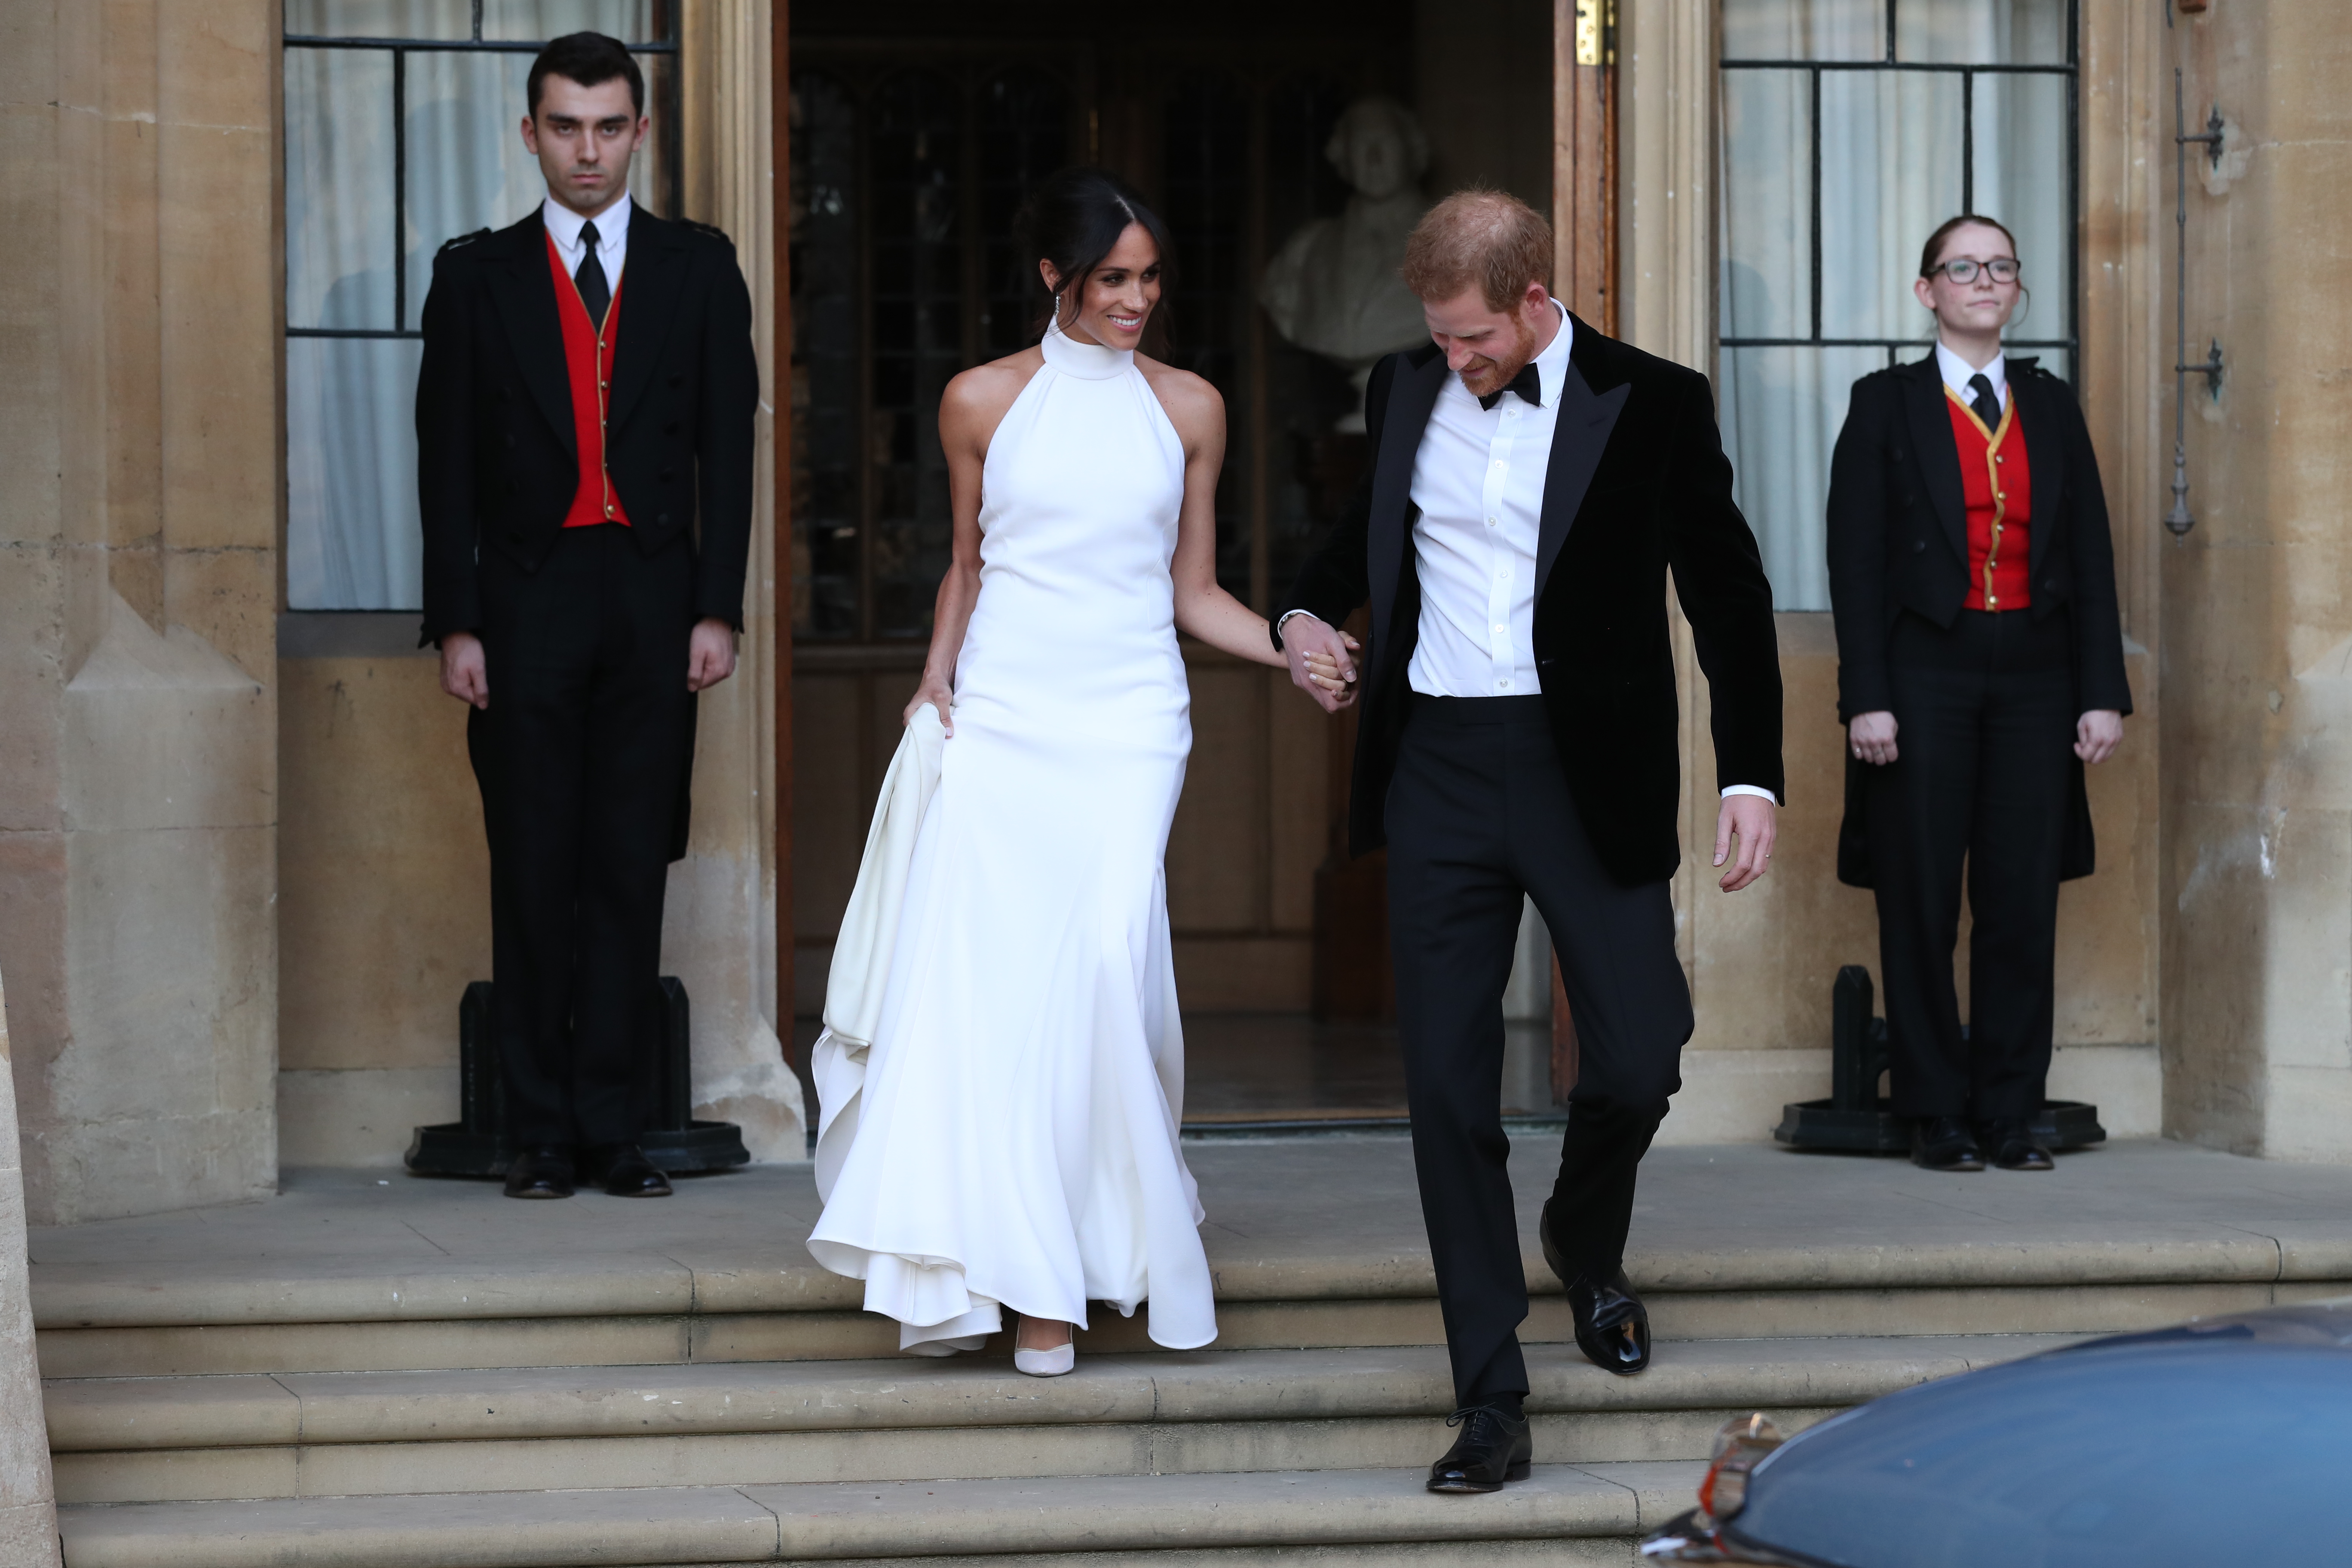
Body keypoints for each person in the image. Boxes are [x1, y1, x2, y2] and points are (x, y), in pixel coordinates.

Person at [1273, 190, 1784, 1493]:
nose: (1454, 364)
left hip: (1584, 774)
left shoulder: (1652, 403)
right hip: (1438, 767)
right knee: (1447, 1091)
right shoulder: (1402, 391)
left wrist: (1754, 777)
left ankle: (1583, 1235)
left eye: (1474, 341)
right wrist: (1298, 619)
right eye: (1439, 340)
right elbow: (1341, 551)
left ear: (1536, 300)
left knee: (1640, 1055)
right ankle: (1490, 1397)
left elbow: (1728, 596)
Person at [804, 168, 1314, 1377]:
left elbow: (1193, 592)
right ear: (1054, 278)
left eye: (1148, 278)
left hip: (1133, 722)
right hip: (1010, 714)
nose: (1137, 299)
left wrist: (1291, 643)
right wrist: (937, 679)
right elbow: (969, 564)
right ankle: (1029, 1282)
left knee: (1099, 974)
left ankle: (1086, 1264)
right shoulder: (980, 399)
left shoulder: (1190, 407)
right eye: (1112, 280)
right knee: (995, 995)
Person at [415, 33, 760, 1200]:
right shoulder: (475, 276)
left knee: (626, 860)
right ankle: (539, 1132)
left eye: (610, 127)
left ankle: (613, 1128)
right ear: (531, 136)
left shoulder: (699, 270)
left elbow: (732, 448)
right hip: (522, 599)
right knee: (530, 863)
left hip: (656, 599)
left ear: (641, 133)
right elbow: (445, 467)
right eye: (566, 127)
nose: (589, 150)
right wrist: (456, 622)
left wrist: (719, 607)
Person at [1826, 215, 2130, 1175]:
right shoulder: (1884, 404)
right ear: (1929, 293)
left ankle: (2008, 1109)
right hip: (1924, 676)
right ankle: (1935, 1111)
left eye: (2000, 266)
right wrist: (1865, 696)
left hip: (2038, 678)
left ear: (2017, 288)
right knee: (1920, 898)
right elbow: (1855, 560)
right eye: (1963, 268)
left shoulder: (2049, 402)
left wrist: (2101, 692)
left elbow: (2088, 552)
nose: (1984, 280)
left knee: (2020, 900)